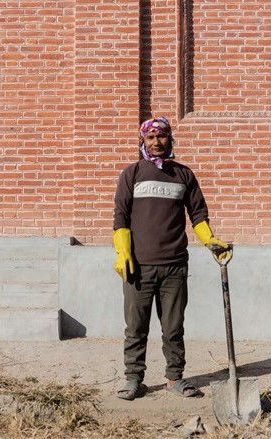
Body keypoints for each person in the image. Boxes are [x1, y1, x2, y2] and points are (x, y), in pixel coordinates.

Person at [112, 117, 231, 400]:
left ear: (170, 139)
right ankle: (133, 379)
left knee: (174, 327)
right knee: (136, 326)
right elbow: (121, 216)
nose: (156, 142)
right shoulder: (131, 175)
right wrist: (123, 251)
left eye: (161, 136)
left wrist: (209, 240)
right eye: (150, 138)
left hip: (175, 266)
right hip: (137, 267)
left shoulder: (184, 175)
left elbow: (199, 214)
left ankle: (174, 378)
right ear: (143, 141)